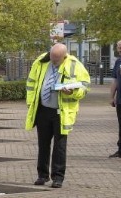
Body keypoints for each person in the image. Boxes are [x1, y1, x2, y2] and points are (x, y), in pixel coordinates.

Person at [24, 43, 91, 188]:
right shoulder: (41, 61)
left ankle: (58, 177)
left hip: (61, 111)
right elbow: (31, 82)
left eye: (56, 59)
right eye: (52, 57)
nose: (53, 61)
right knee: (43, 144)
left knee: (59, 146)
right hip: (43, 109)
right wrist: (30, 102)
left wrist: (72, 92)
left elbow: (85, 87)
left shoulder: (75, 65)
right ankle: (42, 175)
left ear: (64, 56)